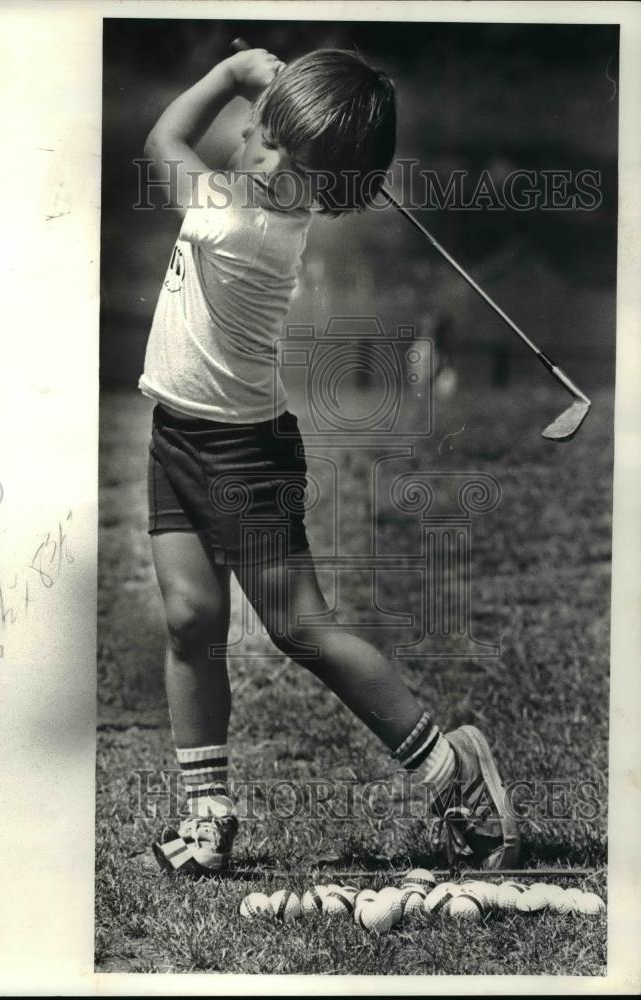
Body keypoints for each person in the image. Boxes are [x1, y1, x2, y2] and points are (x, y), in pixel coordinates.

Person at [138, 46, 519, 876]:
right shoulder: (255, 197)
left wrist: (236, 74)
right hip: (179, 435)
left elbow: (164, 137)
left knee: (302, 630)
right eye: (266, 140)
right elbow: (259, 148)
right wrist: (294, 114)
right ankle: (208, 817)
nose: (266, 162)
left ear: (333, 195)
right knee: (189, 620)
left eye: (296, 166)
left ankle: (452, 770)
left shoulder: (237, 225)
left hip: (242, 456)